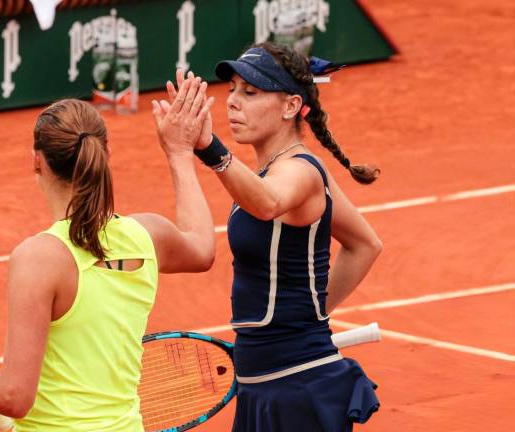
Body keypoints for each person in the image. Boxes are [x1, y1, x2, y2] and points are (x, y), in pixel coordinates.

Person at [0, 86, 216, 431]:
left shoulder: (39, 259)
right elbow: (203, 248)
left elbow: (14, 398)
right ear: (107, 154)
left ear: (37, 161)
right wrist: (178, 153)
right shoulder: (149, 235)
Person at [158, 42, 383, 431]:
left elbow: (268, 204)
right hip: (262, 387)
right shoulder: (270, 174)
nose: (232, 102)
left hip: (298, 388)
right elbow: (366, 243)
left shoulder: (302, 172)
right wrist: (309, 315)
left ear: (291, 106)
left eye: (250, 92)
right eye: (231, 89)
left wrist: (209, 148)